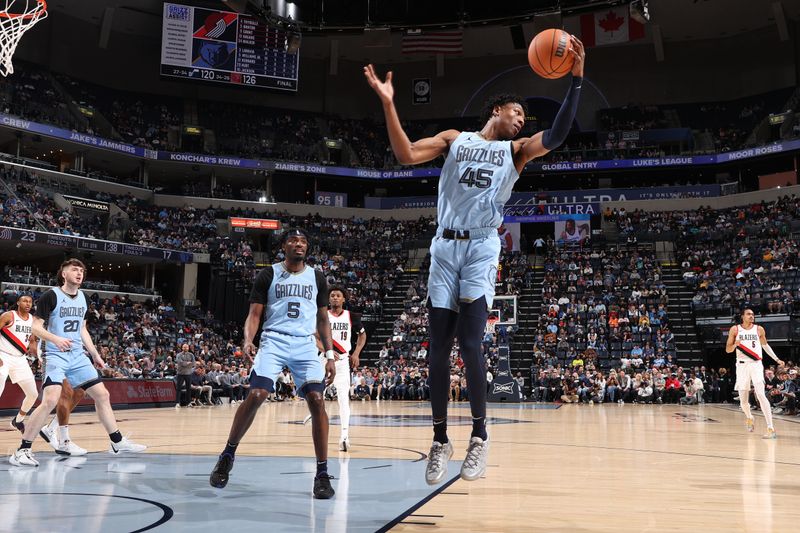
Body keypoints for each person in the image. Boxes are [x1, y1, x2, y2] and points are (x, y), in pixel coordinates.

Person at [364, 34, 585, 485]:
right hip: (443, 248)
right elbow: (405, 154)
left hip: (482, 246)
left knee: (470, 344)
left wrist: (576, 80)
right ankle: (440, 439)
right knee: (438, 351)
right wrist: (389, 104)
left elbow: (559, 135)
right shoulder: (454, 139)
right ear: (496, 111)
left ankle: (479, 438)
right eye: (517, 113)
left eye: (525, 117)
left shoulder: (516, 151)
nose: (522, 121)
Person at [209, 229, 337, 499]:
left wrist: (328, 354)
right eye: (294, 241)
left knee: (316, 399)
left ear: (307, 247)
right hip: (274, 340)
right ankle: (228, 453)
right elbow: (254, 314)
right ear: (284, 246)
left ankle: (322, 473)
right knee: (257, 394)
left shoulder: (316, 276)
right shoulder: (268, 274)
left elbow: (323, 320)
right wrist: (247, 340)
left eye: (303, 241)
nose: (299, 244)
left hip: (304, 343)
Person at [9, 258, 146, 467]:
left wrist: (95, 354)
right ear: (64, 274)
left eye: (81, 270)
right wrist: (55, 339)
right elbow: (35, 327)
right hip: (54, 354)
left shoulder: (84, 298)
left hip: (77, 356)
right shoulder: (50, 296)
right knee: (50, 400)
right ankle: (22, 450)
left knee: (102, 394)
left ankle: (117, 442)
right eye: (74, 270)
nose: (79, 273)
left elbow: (82, 329)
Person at [314, 285, 366, 452]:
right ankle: (318, 428)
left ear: (344, 299)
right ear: (328, 299)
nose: (335, 298)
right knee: (317, 397)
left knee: (343, 398)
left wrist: (356, 353)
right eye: (332, 295)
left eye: (338, 295)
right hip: (323, 360)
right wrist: (326, 350)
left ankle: (344, 435)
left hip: (343, 360)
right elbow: (314, 336)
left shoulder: (352, 316)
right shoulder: (322, 315)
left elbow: (362, 335)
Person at [725, 308, 784, 439]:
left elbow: (765, 346)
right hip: (741, 365)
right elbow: (728, 349)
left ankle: (770, 428)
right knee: (743, 400)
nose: (752, 316)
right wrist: (735, 344)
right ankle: (749, 417)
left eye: (753, 314)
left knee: (761, 394)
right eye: (748, 314)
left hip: (756, 364)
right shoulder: (735, 329)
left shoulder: (759, 329)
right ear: (742, 316)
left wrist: (777, 359)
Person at [0, 294, 39, 433]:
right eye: (24, 301)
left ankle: (18, 420)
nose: (28, 303)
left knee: (33, 394)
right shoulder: (8, 316)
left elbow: (33, 341)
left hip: (20, 359)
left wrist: (38, 357)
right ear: (18, 302)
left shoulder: (33, 320)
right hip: (2, 354)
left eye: (30, 301)